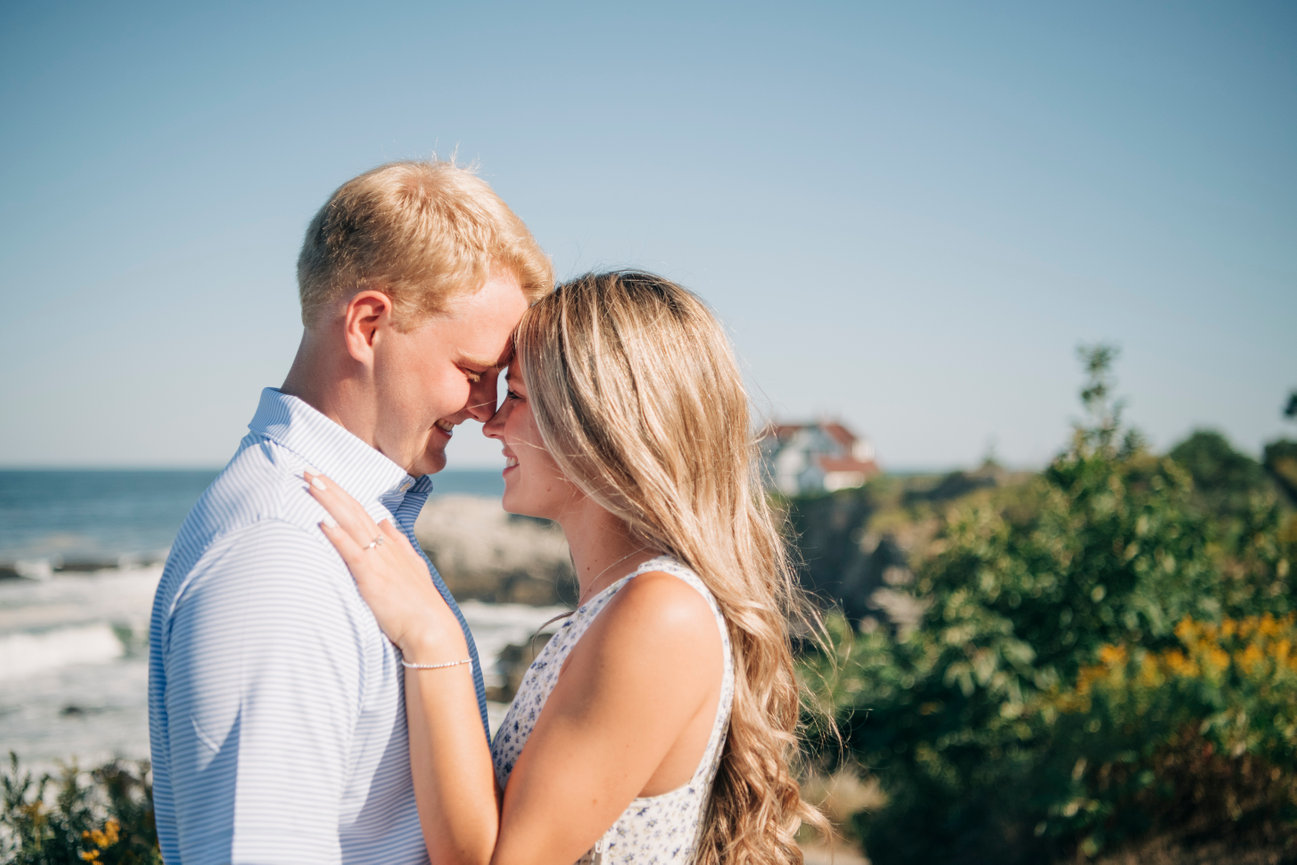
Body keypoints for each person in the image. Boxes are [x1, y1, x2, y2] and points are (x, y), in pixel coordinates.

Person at [306, 270, 826, 865]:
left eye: (520, 396)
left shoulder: (662, 614)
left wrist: (432, 633)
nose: (493, 421)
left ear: (601, 424)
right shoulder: (630, 603)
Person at [147, 160, 552, 864]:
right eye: (472, 373)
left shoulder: (344, 524)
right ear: (367, 323)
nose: (486, 411)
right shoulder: (281, 559)